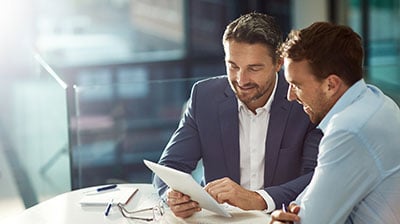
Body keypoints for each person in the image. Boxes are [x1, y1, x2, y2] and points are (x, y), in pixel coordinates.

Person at [153, 12, 322, 218]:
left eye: (254, 68)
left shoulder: (303, 101)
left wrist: (258, 199)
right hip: (218, 219)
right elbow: (170, 166)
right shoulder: (204, 97)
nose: (241, 80)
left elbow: (316, 176)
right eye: (233, 66)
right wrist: (172, 195)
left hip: (277, 217)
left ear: (279, 63)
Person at [270, 22, 400, 224]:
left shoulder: (349, 130)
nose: (290, 96)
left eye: (296, 85)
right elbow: (305, 203)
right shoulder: (376, 100)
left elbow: (309, 222)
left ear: (331, 85)